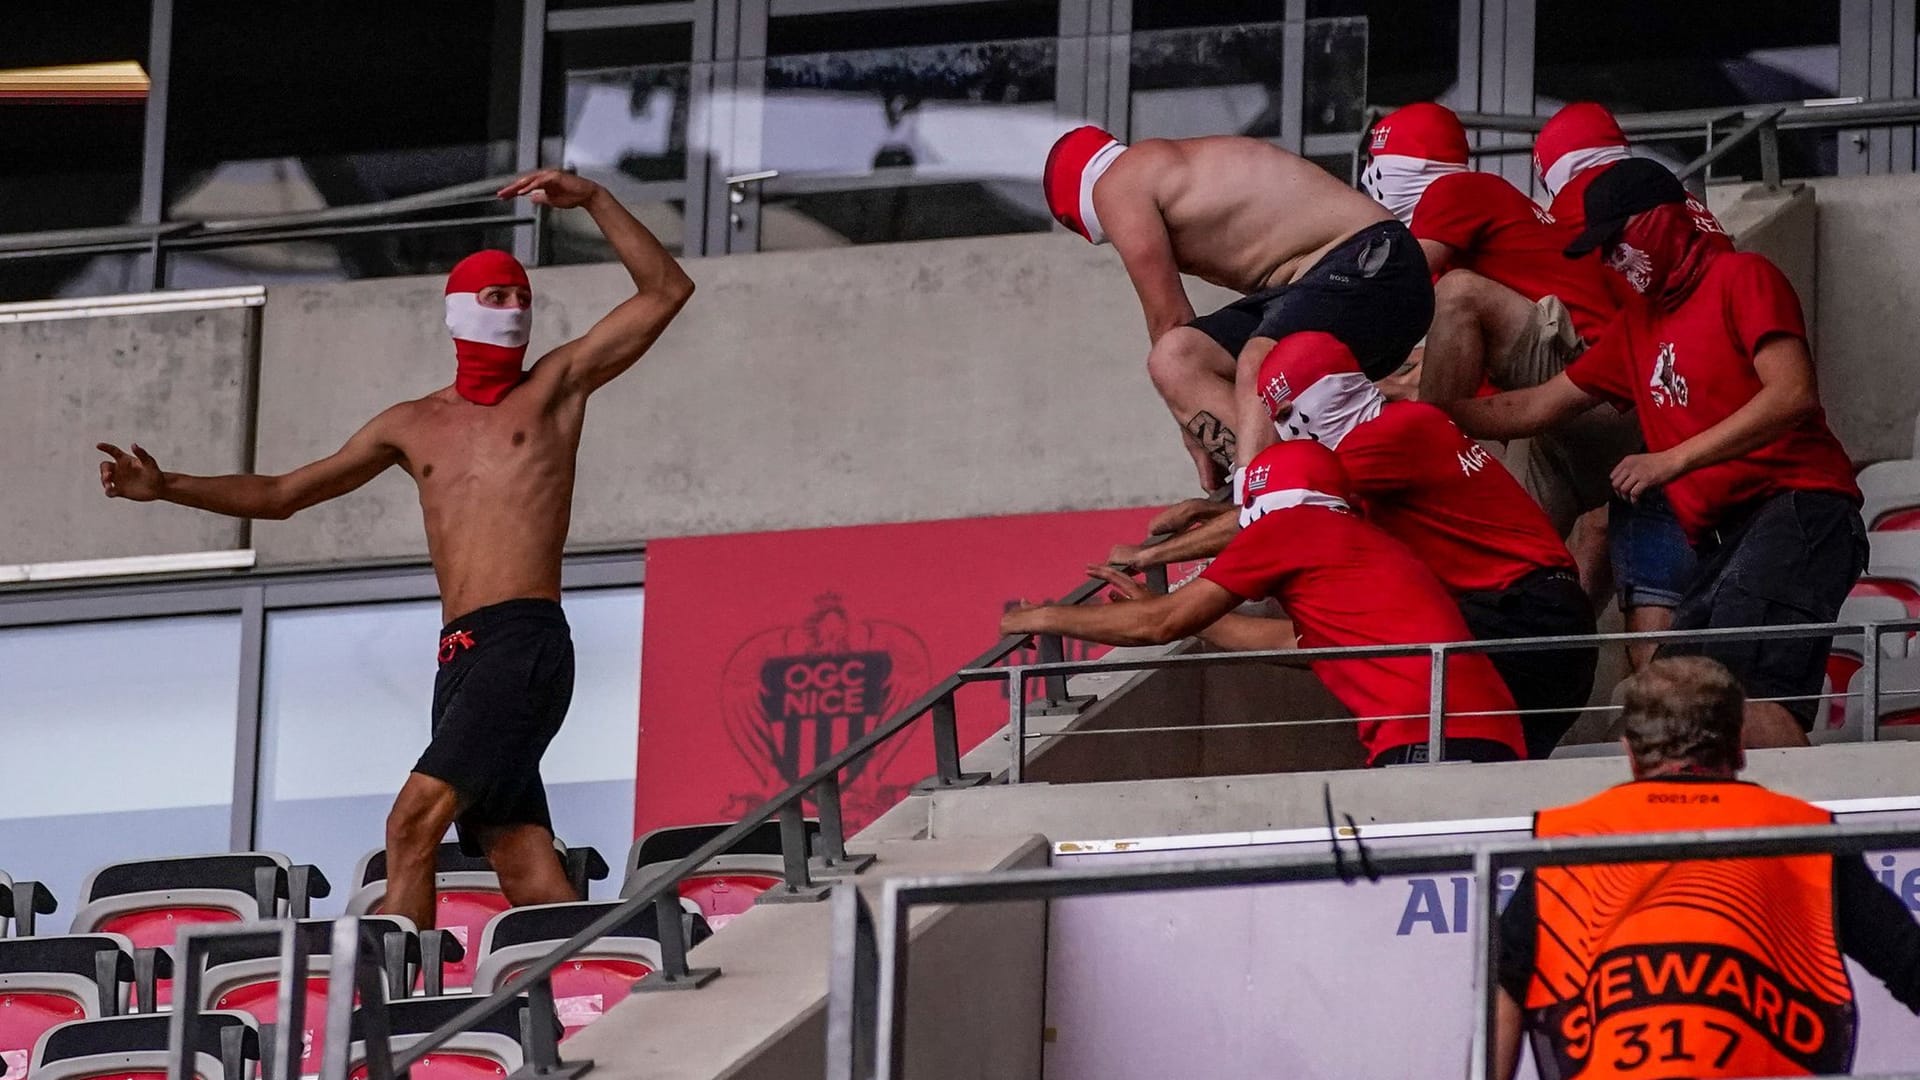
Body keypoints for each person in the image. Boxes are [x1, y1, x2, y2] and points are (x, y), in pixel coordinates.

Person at [95, 170, 695, 929]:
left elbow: (665, 290)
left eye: (522, 298)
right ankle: (611, 979)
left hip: (525, 642)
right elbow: (283, 494)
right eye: (496, 297)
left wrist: (599, 202)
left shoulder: (555, 389)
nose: (514, 310)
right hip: (457, 659)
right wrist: (169, 484)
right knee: (521, 859)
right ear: (455, 314)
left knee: (411, 824)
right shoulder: (409, 425)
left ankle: (401, 1009)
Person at [1445, 159, 1865, 749]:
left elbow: (1792, 394)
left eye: (1618, 244)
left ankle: (1816, 839)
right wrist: (1429, 413)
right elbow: (1535, 407)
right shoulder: (1639, 325)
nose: (1612, 261)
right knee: (1669, 703)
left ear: (1658, 221)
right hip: (1725, 539)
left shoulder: (1742, 276)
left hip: (1799, 510)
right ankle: (1700, 833)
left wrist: (1671, 460)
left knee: (1746, 706)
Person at [1113, 332, 1594, 759]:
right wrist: (1208, 532)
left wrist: (1150, 556)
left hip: (1521, 616)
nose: (1287, 434)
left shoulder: (1387, 436)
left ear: (1319, 400)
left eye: (1286, 416)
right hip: (1530, 619)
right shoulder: (1396, 442)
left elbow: (1283, 515)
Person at [1364, 101, 1695, 669]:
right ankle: (1530, 673)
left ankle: (1428, 454)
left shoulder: (1458, 197)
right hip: (1597, 424)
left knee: (1461, 294)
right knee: (1516, 573)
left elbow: (1387, 289)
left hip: (1606, 389)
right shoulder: (1557, 221)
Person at [1492, 656, 1920, 1080]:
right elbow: (1908, 961)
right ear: (1738, 746)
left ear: (1629, 752)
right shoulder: (1802, 833)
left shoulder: (1571, 838)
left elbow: (1506, 985)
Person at [1003, 440, 1527, 766]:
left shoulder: (1291, 527)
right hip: (1487, 734)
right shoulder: (1362, 546)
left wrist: (1042, 616)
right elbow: (1285, 639)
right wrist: (1182, 614)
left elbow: (1158, 626)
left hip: (1432, 738)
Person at [1043, 125, 1432, 491]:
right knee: (1177, 359)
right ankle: (1293, 482)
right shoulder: (1169, 168)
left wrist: (1194, 429)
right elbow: (1177, 340)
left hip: (1373, 260)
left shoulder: (1117, 183)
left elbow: (1169, 317)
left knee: (1259, 360)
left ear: (1073, 217)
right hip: (1341, 284)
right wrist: (1198, 416)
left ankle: (1263, 503)